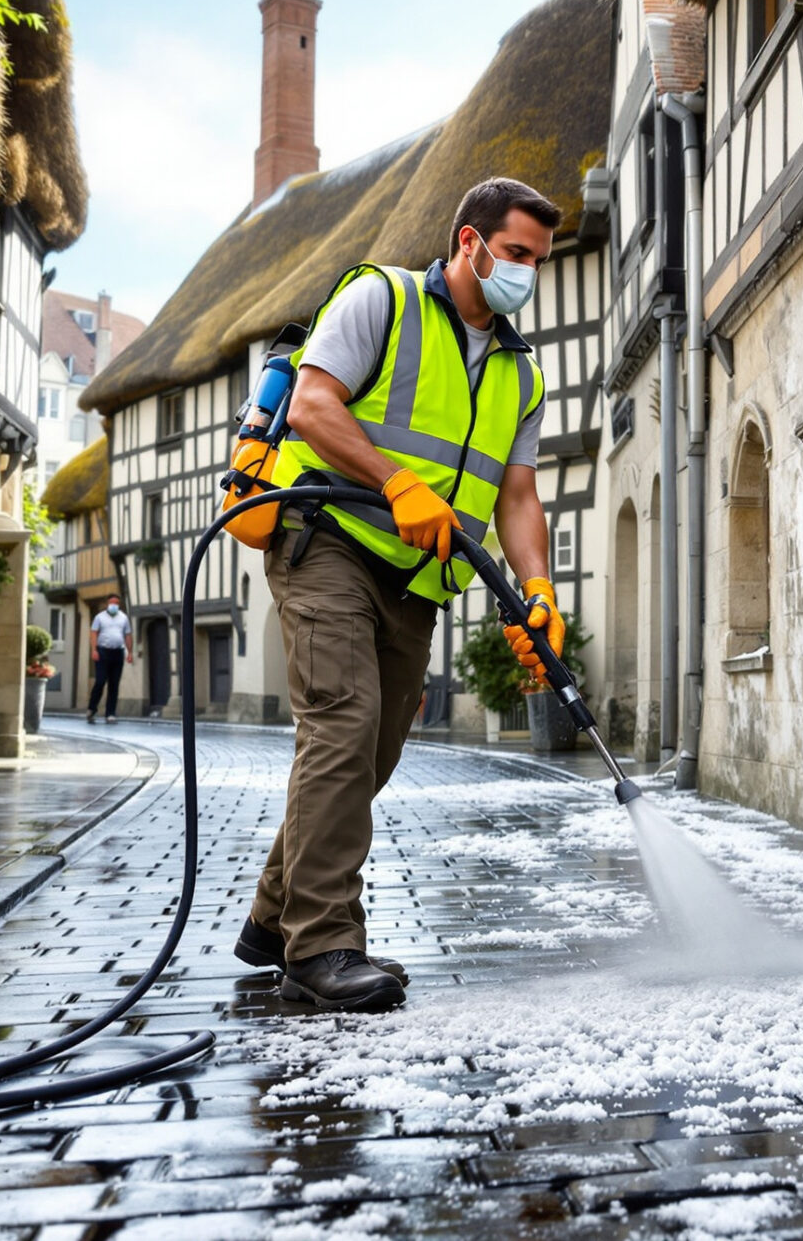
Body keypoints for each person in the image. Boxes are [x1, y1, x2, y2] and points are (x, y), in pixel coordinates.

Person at [236, 178, 567, 1012]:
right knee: (343, 725)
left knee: (371, 754)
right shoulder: (379, 299)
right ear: (469, 243)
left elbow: (517, 495)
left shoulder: (521, 376)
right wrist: (397, 483)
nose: (526, 272)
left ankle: (273, 918)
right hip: (327, 540)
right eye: (517, 254)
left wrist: (538, 589)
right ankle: (322, 947)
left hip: (416, 580)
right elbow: (313, 406)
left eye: (539, 260)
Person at [86, 595, 130, 724]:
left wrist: (130, 651)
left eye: (116, 603)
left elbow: (127, 634)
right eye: (112, 603)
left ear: (119, 604)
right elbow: (94, 633)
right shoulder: (99, 617)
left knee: (114, 684)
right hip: (103, 652)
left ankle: (110, 713)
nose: (114, 605)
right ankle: (92, 709)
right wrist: (94, 649)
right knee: (100, 681)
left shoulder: (123, 618)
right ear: (107, 604)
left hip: (118, 652)